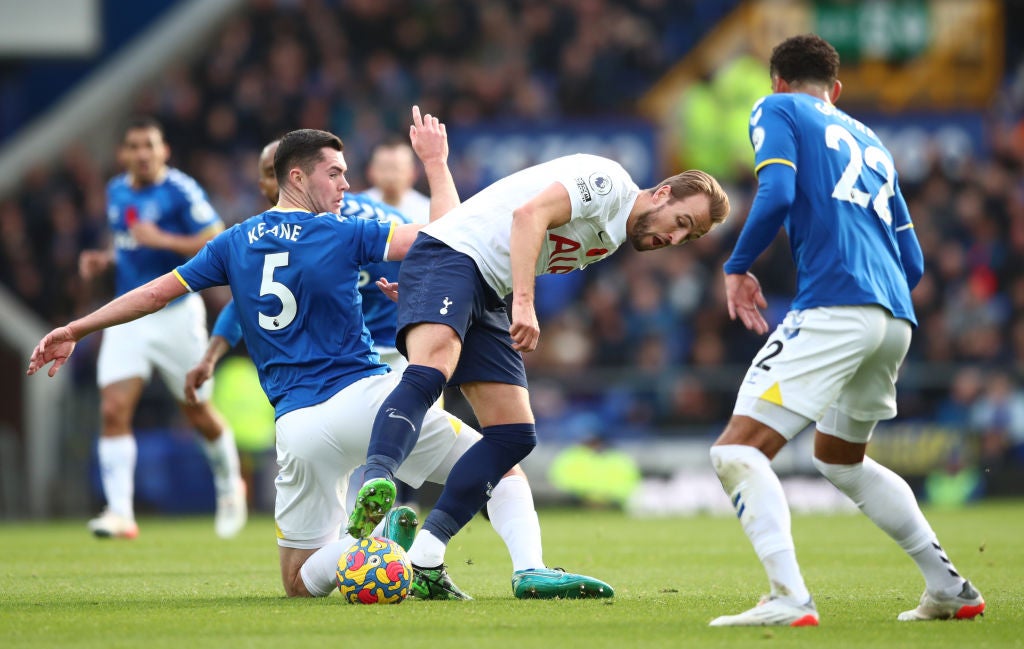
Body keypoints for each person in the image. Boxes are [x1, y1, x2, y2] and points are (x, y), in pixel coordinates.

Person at [30, 116, 610, 600]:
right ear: (298, 175)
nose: (344, 184)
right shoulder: (345, 231)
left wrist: (75, 329)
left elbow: (156, 292)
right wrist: (435, 163)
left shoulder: (235, 240)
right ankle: (513, 564)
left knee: (299, 584)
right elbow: (449, 233)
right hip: (369, 398)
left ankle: (363, 550)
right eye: (335, 173)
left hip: (299, 427)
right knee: (501, 463)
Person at [350, 153, 730, 597]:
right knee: (432, 371)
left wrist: (425, 290)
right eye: (681, 221)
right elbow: (527, 215)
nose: (676, 236)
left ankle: (426, 555)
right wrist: (524, 304)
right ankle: (376, 479)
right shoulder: (609, 184)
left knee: (514, 434)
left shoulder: (610, 239)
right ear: (662, 193)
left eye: (690, 234)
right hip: (456, 259)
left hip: (482, 285)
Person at [707, 34, 985, 627]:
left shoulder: (776, 109)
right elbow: (914, 264)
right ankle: (949, 587)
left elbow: (777, 190)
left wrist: (736, 266)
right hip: (893, 318)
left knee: (735, 449)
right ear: (835, 89)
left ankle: (788, 597)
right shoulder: (871, 139)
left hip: (835, 307)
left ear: (777, 81)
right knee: (840, 459)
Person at [76, 116, 246, 540]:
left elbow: (216, 238)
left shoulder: (180, 189)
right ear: (123, 154)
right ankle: (120, 513)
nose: (142, 154)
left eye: (149, 145)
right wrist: (107, 258)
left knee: (197, 412)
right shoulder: (117, 189)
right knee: (114, 409)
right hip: (128, 314)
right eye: (134, 146)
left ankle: (230, 487)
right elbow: (130, 240)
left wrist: (164, 241)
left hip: (175, 313)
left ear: (164, 150)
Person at [363, 135, 432, 222]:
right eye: (384, 168)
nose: (390, 176)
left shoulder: (428, 212)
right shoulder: (355, 208)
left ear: (413, 172)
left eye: (397, 169)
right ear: (370, 171)